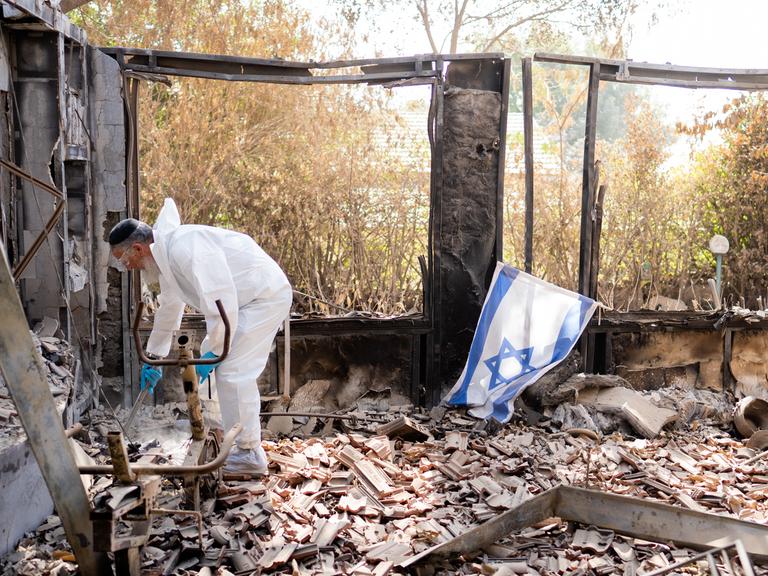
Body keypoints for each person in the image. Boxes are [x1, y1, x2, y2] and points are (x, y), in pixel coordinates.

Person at [109, 198, 292, 475]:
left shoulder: (185, 246)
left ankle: (249, 453)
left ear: (137, 248)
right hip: (244, 303)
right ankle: (222, 431)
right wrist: (155, 356)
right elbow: (170, 307)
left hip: (263, 298)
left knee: (232, 370)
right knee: (217, 353)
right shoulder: (166, 257)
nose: (128, 267)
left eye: (125, 261)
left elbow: (221, 298)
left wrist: (215, 354)